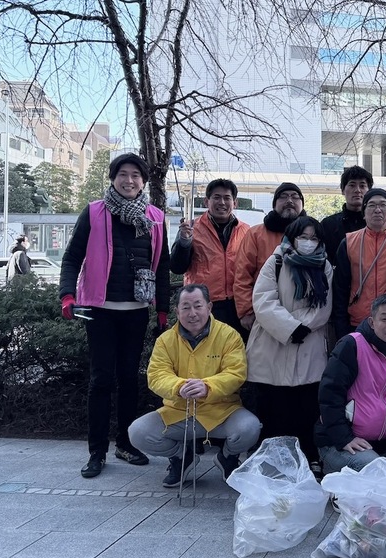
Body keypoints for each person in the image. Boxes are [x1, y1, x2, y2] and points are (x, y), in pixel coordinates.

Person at [59, 153, 170, 478]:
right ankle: (97, 451)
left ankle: (125, 443)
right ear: (113, 178)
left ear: (143, 181)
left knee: (129, 379)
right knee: (101, 380)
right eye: (123, 174)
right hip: (100, 311)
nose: (129, 180)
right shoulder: (94, 212)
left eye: (136, 175)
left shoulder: (155, 217)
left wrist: (163, 311)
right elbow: (72, 257)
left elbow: (162, 266)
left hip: (136, 311)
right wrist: (67, 295)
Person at [129, 284, 260, 488]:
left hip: (221, 411)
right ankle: (182, 457)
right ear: (177, 311)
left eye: (198, 306)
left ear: (209, 307)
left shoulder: (229, 335)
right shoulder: (165, 340)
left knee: (249, 428)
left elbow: (236, 373)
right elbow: (156, 375)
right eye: (186, 307)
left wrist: (208, 386)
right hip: (178, 411)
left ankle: (228, 457)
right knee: (137, 432)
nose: (192, 313)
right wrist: (178, 386)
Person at [245, 216, 332, 471]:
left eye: (313, 238)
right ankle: (270, 462)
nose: (308, 242)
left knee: (306, 408)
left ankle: (307, 458)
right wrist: (290, 327)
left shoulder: (325, 265)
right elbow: (263, 300)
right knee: (274, 409)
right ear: (292, 238)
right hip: (273, 345)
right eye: (303, 237)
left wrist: (302, 327)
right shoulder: (276, 261)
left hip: (309, 345)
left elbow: (325, 305)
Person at [314, 294, 386, 474]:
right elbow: (330, 393)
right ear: (372, 322)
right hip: (341, 442)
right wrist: (344, 438)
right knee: (378, 472)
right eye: (385, 319)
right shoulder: (352, 345)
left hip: (381, 444)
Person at [171, 179, 251, 339]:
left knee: (237, 351)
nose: (222, 202)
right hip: (204, 305)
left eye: (227, 198)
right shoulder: (190, 228)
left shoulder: (246, 230)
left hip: (238, 305)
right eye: (216, 197)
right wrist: (184, 242)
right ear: (207, 201)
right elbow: (177, 267)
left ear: (234, 202)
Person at [332, 188, 386, 340]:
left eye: (383, 205)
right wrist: (341, 329)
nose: (377, 210)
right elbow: (340, 289)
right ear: (363, 213)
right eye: (371, 205)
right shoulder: (349, 242)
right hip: (358, 322)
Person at [233, 182, 306, 334]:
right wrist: (246, 311)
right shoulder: (255, 234)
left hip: (303, 314)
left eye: (295, 197)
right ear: (274, 204)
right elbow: (242, 275)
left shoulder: (313, 234)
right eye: (283, 197)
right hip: (263, 313)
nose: (289, 201)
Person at [320, 166, 372, 265]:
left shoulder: (379, 224)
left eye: (362, 186)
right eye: (352, 185)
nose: (357, 190)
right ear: (343, 190)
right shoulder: (328, 225)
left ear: (369, 191)